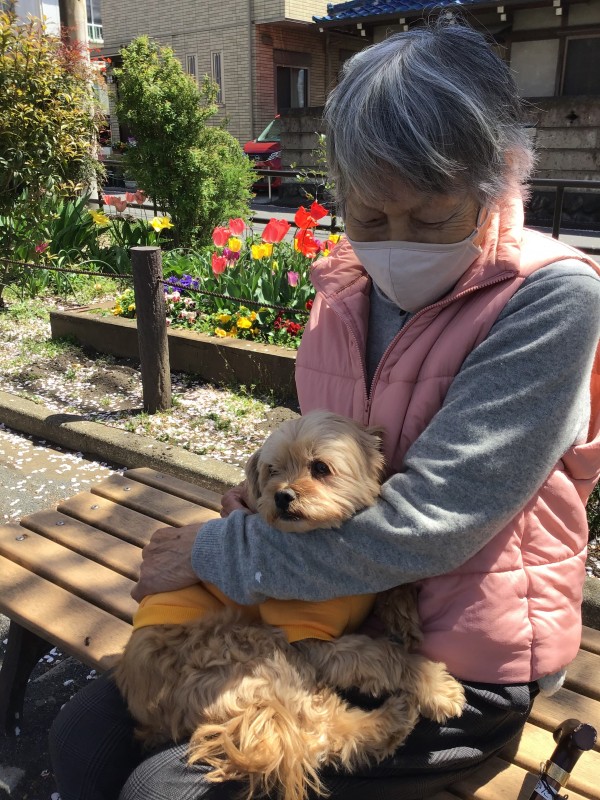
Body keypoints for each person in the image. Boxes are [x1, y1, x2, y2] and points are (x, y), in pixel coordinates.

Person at [50, 20, 600, 800]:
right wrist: (249, 513)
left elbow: (430, 524)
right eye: (370, 216)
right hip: (313, 617)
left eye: (431, 218)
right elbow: (313, 472)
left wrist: (213, 553)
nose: (395, 243)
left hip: (458, 660)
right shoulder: (344, 287)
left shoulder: (552, 299)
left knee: (167, 789)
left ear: (501, 178)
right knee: (84, 736)